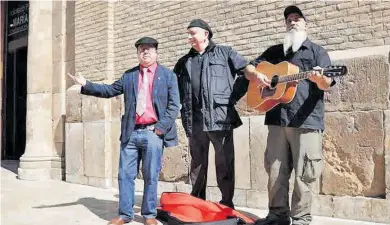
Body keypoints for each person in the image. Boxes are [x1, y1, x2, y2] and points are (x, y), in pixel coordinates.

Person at [68, 37, 180, 225]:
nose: (145, 52)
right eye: (142, 49)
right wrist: (86, 84)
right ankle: (125, 214)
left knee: (151, 175)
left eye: (149, 49)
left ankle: (149, 215)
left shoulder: (168, 76)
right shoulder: (129, 76)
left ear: (156, 53)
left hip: (153, 133)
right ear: (137, 53)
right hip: (131, 132)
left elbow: (173, 105)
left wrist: (160, 129)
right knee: (125, 175)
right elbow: (109, 90)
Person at [244, 5, 335, 225]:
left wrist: (318, 79)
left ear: (306, 24)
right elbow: (248, 69)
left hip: (306, 120)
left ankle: (301, 219)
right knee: (275, 171)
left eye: (297, 19)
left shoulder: (316, 51)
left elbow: (328, 83)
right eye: (289, 20)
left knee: (305, 173)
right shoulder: (275, 52)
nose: (292, 22)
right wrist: (257, 75)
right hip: (276, 120)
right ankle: (277, 216)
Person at [173, 19, 249, 209]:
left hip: (219, 118)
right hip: (195, 120)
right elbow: (174, 88)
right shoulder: (183, 62)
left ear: (205, 34)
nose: (189, 37)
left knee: (224, 162)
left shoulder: (225, 53)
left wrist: (231, 97)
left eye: (192, 33)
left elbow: (247, 72)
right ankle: (198, 203)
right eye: (188, 34)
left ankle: (226, 203)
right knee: (197, 165)